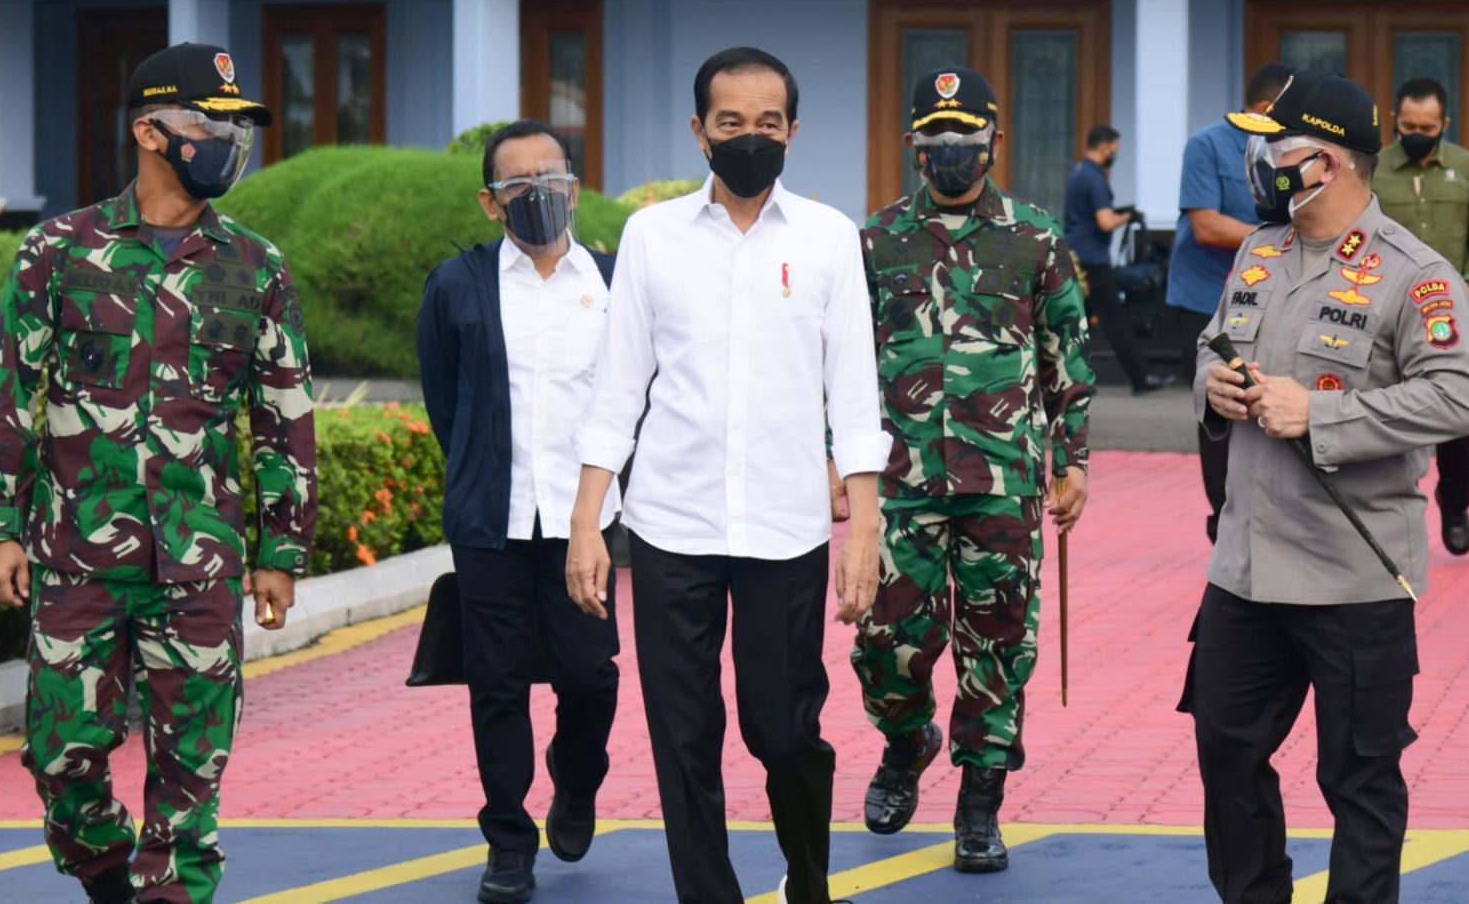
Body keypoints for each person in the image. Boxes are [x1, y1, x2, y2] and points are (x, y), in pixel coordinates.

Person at [0, 42, 316, 904]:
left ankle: (170, 892)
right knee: (60, 755)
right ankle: (104, 873)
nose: (230, 142)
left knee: (191, 772)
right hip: (78, 557)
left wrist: (281, 550)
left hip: (199, 562)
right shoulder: (60, 250)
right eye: (213, 124)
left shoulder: (255, 266)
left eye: (238, 127)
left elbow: (284, 417)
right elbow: (11, 392)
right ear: (151, 132)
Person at [565, 46, 886, 904]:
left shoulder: (826, 239)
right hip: (674, 524)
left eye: (768, 124)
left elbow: (855, 398)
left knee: (783, 733)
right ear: (700, 131)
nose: (751, 138)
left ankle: (808, 877)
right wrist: (587, 520)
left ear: (793, 132)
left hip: (785, 530)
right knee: (683, 733)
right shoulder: (651, 237)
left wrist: (866, 534)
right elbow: (617, 387)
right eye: (732, 123)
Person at [1186, 70, 1469, 904]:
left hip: (1353, 573)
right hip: (1244, 569)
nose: (1259, 158)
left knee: (1358, 779)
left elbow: (1458, 396)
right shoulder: (1260, 247)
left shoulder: (1414, 275)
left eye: (1276, 144)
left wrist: (1320, 416)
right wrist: (1214, 384)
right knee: (1227, 756)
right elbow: (1213, 345)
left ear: (1332, 162)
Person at [849, 66, 1094, 875]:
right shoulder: (875, 241)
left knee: (997, 645)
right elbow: (842, 364)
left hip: (1005, 483)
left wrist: (1073, 461)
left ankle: (980, 801)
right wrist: (832, 454)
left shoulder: (1033, 237)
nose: (954, 152)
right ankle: (905, 737)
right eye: (937, 140)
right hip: (901, 482)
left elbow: (1068, 355)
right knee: (887, 644)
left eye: (968, 139)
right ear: (915, 147)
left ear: (995, 141)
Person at [417, 119, 621, 904]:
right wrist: (478, 474)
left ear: (572, 186)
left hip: (583, 523)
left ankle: (576, 786)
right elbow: (446, 399)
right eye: (519, 183)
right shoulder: (457, 284)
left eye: (553, 177)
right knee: (495, 685)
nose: (539, 194)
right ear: (490, 202)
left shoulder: (608, 279)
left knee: (589, 677)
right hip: (490, 522)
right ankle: (508, 839)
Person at [1166, 63, 1295, 544]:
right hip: (1205, 301)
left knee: (1269, 405)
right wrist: (1280, 240)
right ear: (1266, 109)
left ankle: (1268, 519)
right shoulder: (1207, 144)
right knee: (1218, 411)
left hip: (1270, 300)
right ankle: (1223, 518)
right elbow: (1206, 226)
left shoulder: (1290, 150)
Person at [1370, 77, 1469, 556]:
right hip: (1383, 316)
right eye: (1409, 124)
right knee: (1381, 412)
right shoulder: (1372, 171)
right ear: (1395, 120)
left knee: (1459, 418)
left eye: (1428, 126)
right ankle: (1381, 508)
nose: (1418, 132)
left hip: (1450, 321)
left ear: (1445, 124)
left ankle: (1454, 503)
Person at [1064, 124, 1174, 394]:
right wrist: (1129, 216)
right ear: (1105, 147)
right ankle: (1141, 377)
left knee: (1075, 323)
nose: (1115, 154)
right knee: (1115, 321)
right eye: (1115, 149)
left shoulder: (1078, 172)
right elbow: (1104, 221)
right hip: (1092, 260)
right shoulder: (1093, 177)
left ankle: (1072, 380)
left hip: (1076, 255)